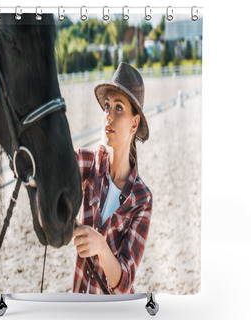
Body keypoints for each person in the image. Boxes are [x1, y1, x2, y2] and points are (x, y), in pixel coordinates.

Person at [72, 62, 152, 294]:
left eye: (119, 108)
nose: (109, 115)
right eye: (107, 106)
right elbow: (56, 165)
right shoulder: (90, 164)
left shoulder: (142, 200)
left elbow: (124, 283)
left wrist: (101, 246)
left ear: (134, 123)